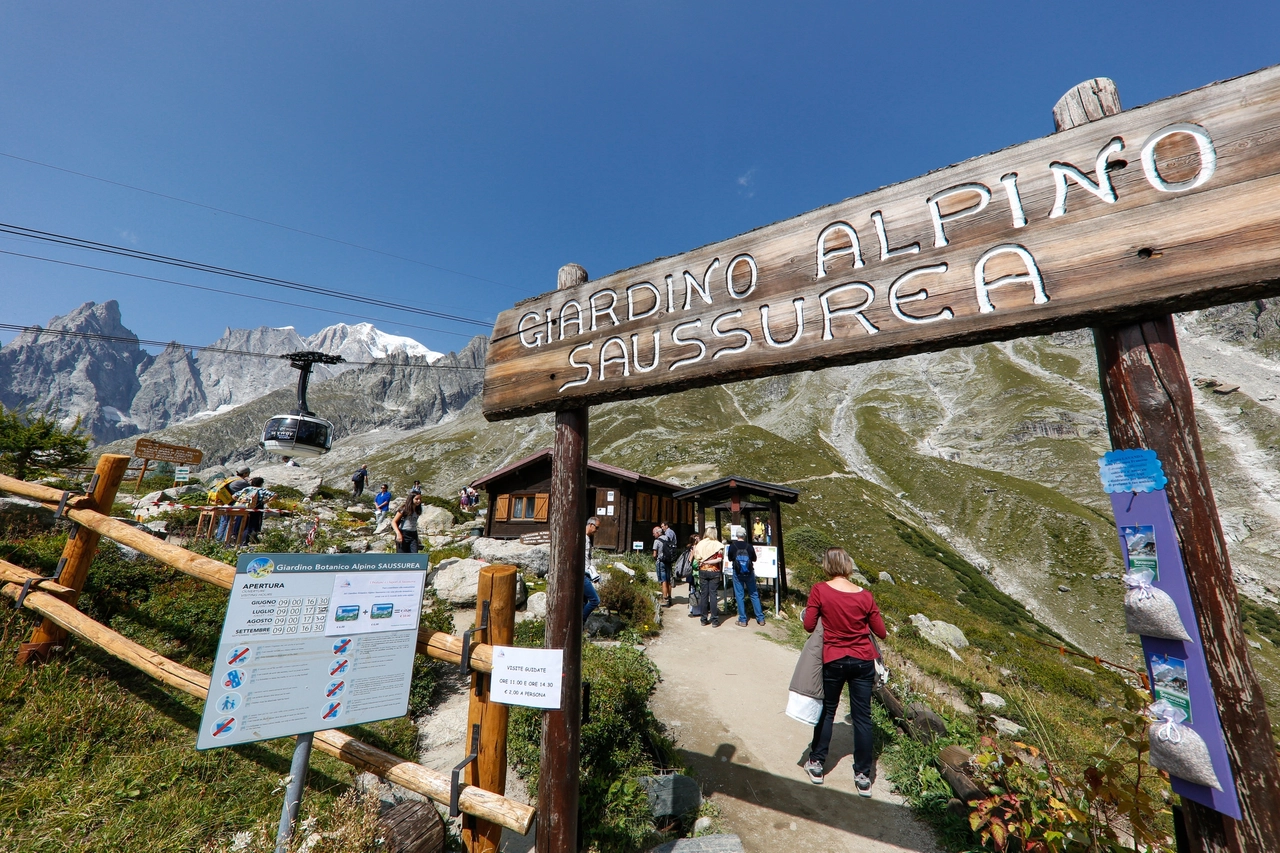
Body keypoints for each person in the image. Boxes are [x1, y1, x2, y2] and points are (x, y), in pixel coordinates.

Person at [802, 547, 887, 794]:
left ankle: (817, 764)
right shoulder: (866, 596)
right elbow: (880, 632)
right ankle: (863, 776)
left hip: (833, 658)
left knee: (827, 711)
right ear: (848, 565)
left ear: (827, 565)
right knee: (863, 717)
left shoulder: (820, 590)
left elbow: (808, 625)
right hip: (862, 661)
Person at [728, 526, 765, 626]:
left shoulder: (733, 546)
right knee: (754, 594)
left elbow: (730, 558)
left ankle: (743, 620)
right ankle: (760, 618)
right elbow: (754, 558)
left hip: (737, 572)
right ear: (744, 535)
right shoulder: (749, 546)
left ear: (737, 535)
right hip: (749, 572)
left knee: (740, 595)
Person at [692, 525, 725, 627]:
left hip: (702, 571)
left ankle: (703, 619)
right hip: (714, 571)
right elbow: (719, 559)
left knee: (704, 595)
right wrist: (709, 561)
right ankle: (714, 620)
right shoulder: (718, 545)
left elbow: (696, 556)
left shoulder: (700, 544)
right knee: (713, 595)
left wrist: (703, 561)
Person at [215, 466, 251, 542]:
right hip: (233, 505)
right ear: (245, 473)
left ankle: (218, 540)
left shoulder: (230, 479)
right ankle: (225, 541)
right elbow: (251, 490)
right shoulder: (242, 482)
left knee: (223, 522)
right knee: (231, 523)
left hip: (224, 503)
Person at [234, 477, 275, 543]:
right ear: (261, 483)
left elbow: (234, 496)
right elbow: (274, 495)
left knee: (242, 523)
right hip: (256, 508)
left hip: (245, 507)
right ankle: (246, 540)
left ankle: (237, 539)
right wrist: (266, 501)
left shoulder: (247, 489)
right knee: (251, 525)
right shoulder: (262, 490)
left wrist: (241, 501)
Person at [676, 533, 700, 617]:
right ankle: (695, 609)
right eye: (697, 539)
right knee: (695, 590)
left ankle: (693, 608)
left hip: (691, 572)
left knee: (693, 589)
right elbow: (690, 561)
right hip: (693, 572)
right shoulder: (693, 549)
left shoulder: (689, 548)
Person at [583, 516, 602, 622]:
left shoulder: (587, 538)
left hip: (587, 573)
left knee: (584, 602)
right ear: (591, 525)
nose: (597, 530)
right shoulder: (583, 538)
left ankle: (580, 629)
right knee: (595, 600)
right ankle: (581, 620)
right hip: (583, 574)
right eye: (597, 527)